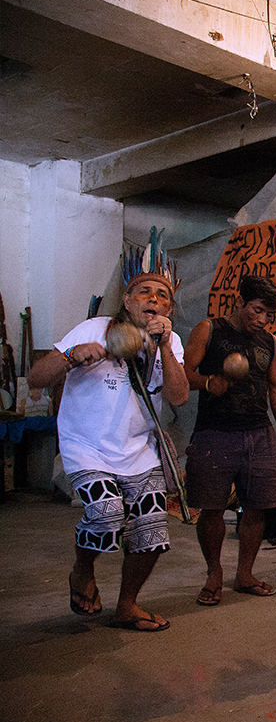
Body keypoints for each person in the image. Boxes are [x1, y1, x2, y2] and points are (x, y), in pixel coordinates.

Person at [30, 249, 188, 631]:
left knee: (151, 529)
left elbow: (179, 396)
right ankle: (82, 570)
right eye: (145, 291)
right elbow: (37, 379)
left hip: (137, 451)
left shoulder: (169, 340)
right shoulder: (95, 328)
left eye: (162, 295)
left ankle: (127, 605)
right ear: (128, 300)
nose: (154, 299)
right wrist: (70, 355)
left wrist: (165, 345)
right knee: (106, 514)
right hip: (88, 447)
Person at [184, 276, 276, 605]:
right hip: (214, 432)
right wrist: (207, 382)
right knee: (212, 508)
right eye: (257, 311)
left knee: (257, 507)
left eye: (268, 315)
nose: (262, 320)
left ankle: (245, 573)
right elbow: (182, 370)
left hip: (259, 433)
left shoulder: (270, 342)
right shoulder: (209, 330)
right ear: (239, 301)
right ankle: (214, 573)